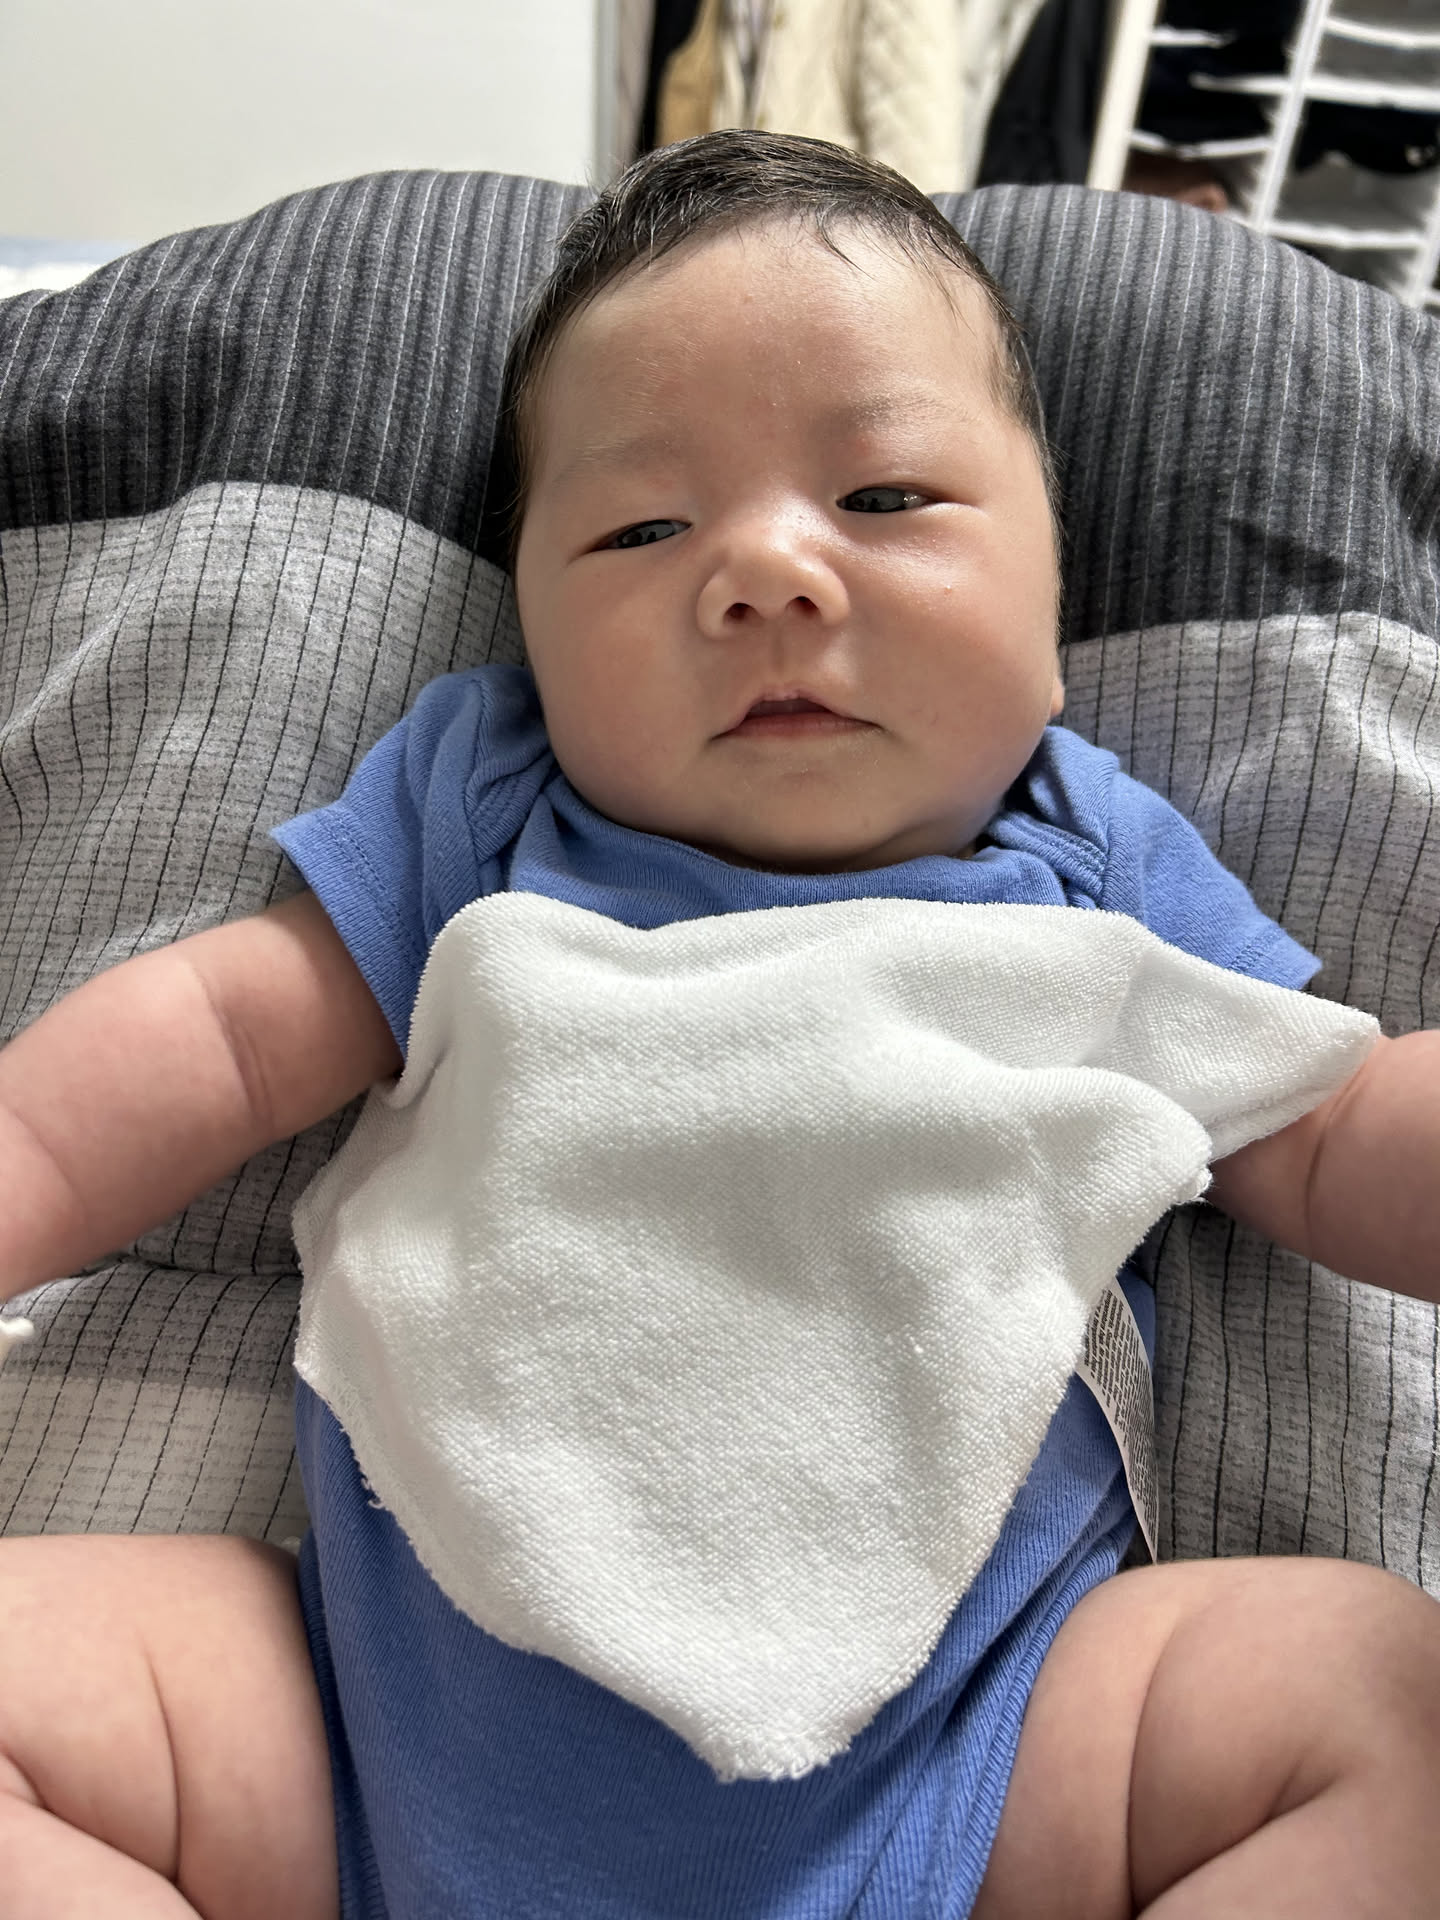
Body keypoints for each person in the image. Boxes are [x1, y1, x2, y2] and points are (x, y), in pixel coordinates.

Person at [0, 129, 1438, 1920]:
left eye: (886, 499)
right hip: (370, 1749)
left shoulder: (1089, 870)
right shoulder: (487, 811)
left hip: (976, 1768)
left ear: (1055, 609)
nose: (765, 573)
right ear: (529, 626)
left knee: (1380, 1699)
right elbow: (216, 1037)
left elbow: (1335, 1120)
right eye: (642, 528)